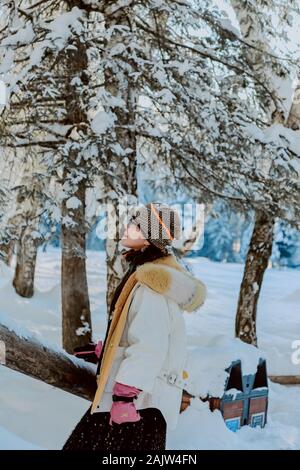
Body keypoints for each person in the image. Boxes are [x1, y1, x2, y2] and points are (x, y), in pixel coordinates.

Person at [62, 202, 207, 451]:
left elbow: (150, 346)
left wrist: (124, 395)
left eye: (136, 224)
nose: (128, 228)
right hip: (136, 403)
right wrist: (107, 350)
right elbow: (141, 334)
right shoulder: (147, 276)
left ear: (150, 237)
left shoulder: (152, 287)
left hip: (135, 406)